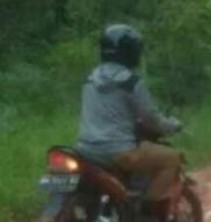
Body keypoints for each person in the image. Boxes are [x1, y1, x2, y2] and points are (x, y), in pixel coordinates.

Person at [76, 24, 182, 207]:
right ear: (131, 52)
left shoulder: (90, 79)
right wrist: (172, 125)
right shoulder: (131, 82)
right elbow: (151, 118)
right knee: (173, 158)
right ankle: (146, 209)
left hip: (85, 150)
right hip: (118, 151)